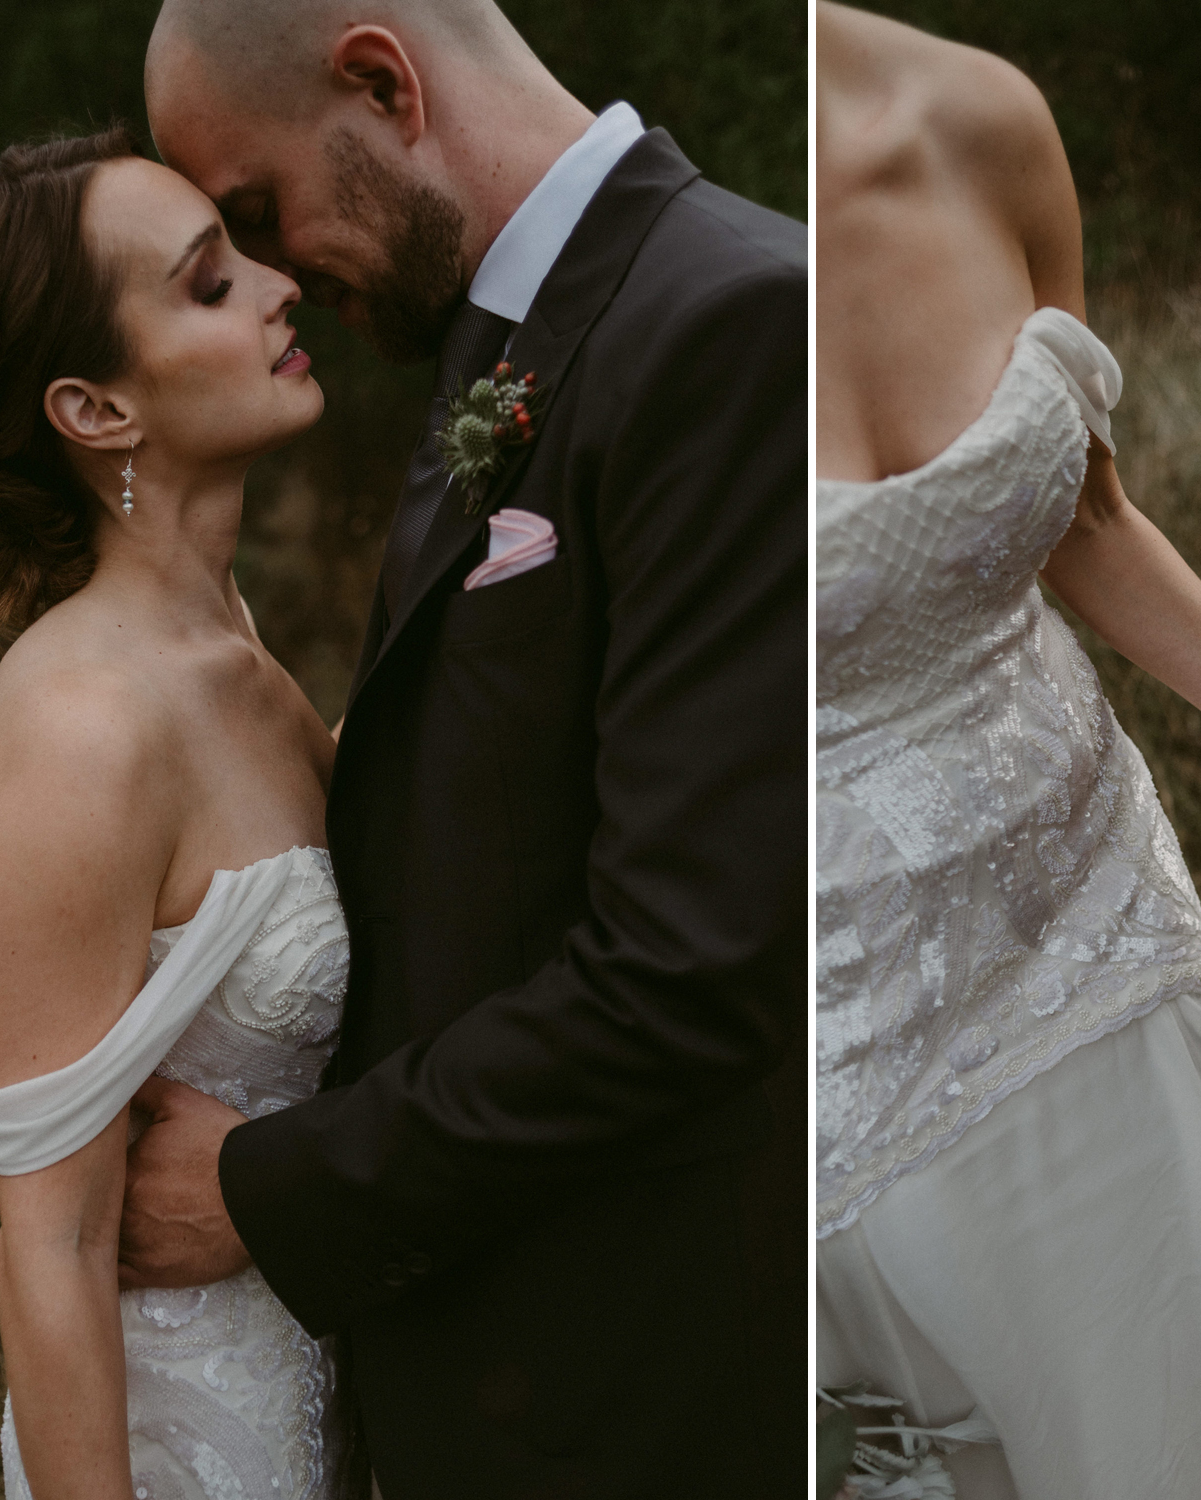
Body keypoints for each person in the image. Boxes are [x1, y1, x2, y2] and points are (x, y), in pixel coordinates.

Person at [119, 1, 807, 1494]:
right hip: (507, 1353)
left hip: (647, 1374)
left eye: (260, 213)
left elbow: (690, 966)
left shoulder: (732, 319)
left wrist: (269, 1190)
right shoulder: (508, 333)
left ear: (383, 81)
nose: (278, 278)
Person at [815, 7, 1201, 1496]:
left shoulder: (984, 119)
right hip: (821, 1022)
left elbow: (1085, 517)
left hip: (1094, 920)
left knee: (1170, 1423)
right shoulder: (671, 258)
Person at [0, 129, 359, 1495]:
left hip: (325, 1399)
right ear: (94, 411)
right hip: (178, 1447)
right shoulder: (81, 722)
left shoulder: (236, 649)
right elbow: (52, 1244)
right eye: (211, 285)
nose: (280, 288)